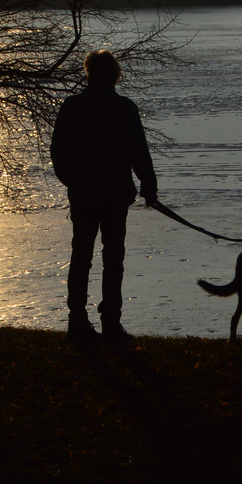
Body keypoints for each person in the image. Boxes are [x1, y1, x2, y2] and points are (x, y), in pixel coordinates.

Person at [50, 49, 157, 344]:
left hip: (84, 193)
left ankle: (77, 321)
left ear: (88, 73)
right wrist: (148, 185)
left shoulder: (73, 106)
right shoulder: (123, 108)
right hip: (114, 193)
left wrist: (72, 181)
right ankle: (110, 321)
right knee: (113, 258)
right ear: (114, 75)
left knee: (81, 256)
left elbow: (58, 151)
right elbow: (139, 151)